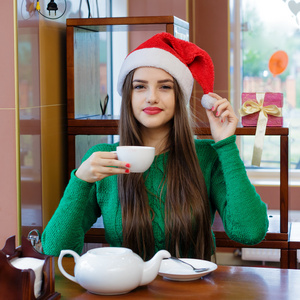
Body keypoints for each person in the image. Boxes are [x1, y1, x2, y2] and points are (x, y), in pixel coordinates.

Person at [41, 32, 268, 261]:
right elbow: (54, 249)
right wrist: (80, 181)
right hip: (125, 292)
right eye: (140, 87)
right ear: (128, 96)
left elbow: (250, 232)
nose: (151, 98)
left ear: (179, 96)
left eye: (165, 87)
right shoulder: (103, 160)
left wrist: (226, 144)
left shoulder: (208, 157)